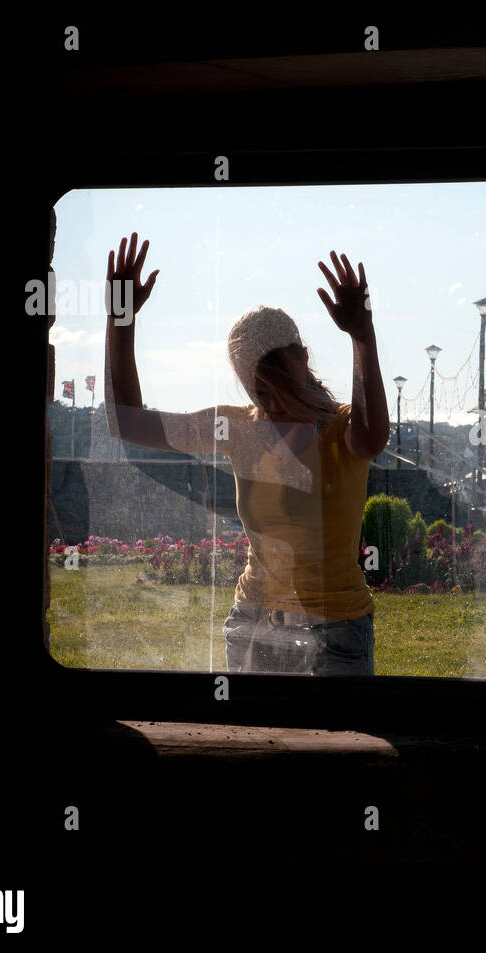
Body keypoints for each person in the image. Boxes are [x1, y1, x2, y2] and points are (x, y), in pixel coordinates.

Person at [102, 233, 388, 675]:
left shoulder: (343, 428)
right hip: (253, 624)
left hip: (335, 630)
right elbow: (129, 423)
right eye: (259, 390)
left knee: (338, 744)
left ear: (305, 360)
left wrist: (362, 336)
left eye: (283, 384)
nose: (273, 403)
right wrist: (120, 318)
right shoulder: (238, 428)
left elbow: (372, 439)